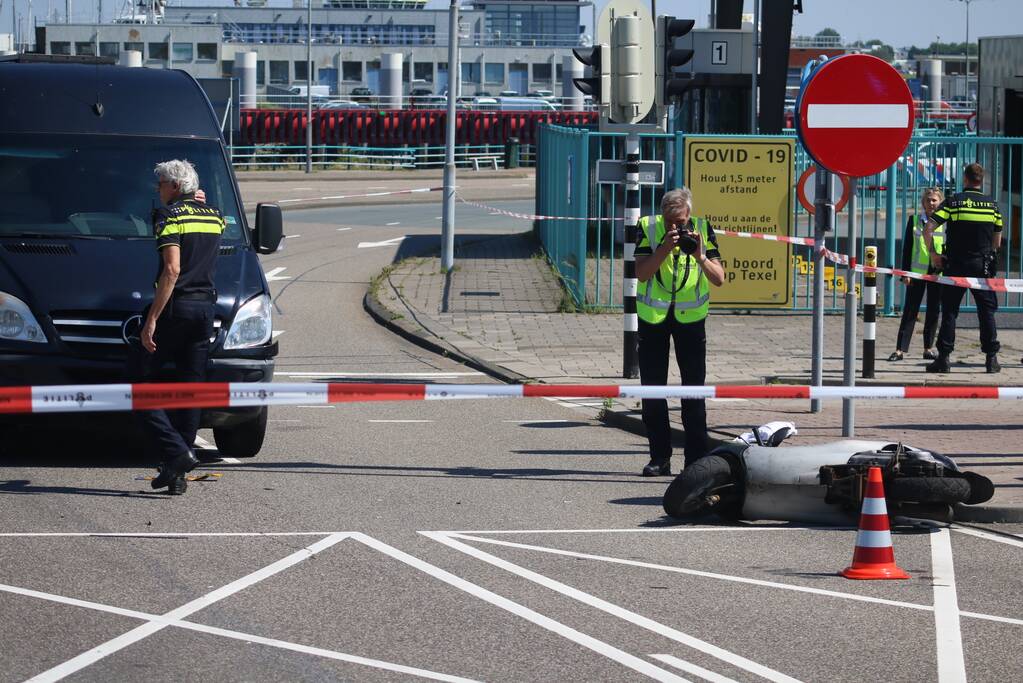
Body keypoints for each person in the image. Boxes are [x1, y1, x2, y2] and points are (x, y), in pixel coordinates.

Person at [131, 160, 225, 494]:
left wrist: (152, 319)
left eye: (160, 184)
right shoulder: (213, 216)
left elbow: (171, 270)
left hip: (176, 307)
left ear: (173, 185)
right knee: (191, 389)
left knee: (140, 388)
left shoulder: (169, 217)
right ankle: (178, 473)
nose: (158, 190)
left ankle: (176, 451)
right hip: (205, 310)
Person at [634, 188, 726, 477]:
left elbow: (720, 278)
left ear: (689, 215)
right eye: (671, 221)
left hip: (691, 319)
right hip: (653, 318)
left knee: (693, 392)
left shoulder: (701, 229)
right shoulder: (648, 228)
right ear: (663, 214)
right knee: (652, 391)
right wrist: (664, 247)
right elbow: (641, 273)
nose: (677, 227)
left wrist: (699, 255)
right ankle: (659, 458)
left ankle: (695, 461)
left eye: (681, 222)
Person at [924, 162, 1003, 374]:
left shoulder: (954, 202)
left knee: (950, 311)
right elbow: (997, 241)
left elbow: (929, 227)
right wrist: (989, 253)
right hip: (983, 266)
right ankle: (991, 359)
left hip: (956, 264)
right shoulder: (992, 205)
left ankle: (944, 359)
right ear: (982, 180)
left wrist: (934, 254)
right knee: (986, 312)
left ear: (965, 179)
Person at [888, 187, 944, 362]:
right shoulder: (914, 221)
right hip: (916, 273)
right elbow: (907, 249)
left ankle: (928, 348)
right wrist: (905, 273)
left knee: (934, 311)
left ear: (940, 202)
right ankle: (900, 349)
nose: (931, 203)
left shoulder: (945, 222)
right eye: (928, 200)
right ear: (923, 203)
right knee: (910, 310)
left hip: (937, 273)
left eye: (934, 200)